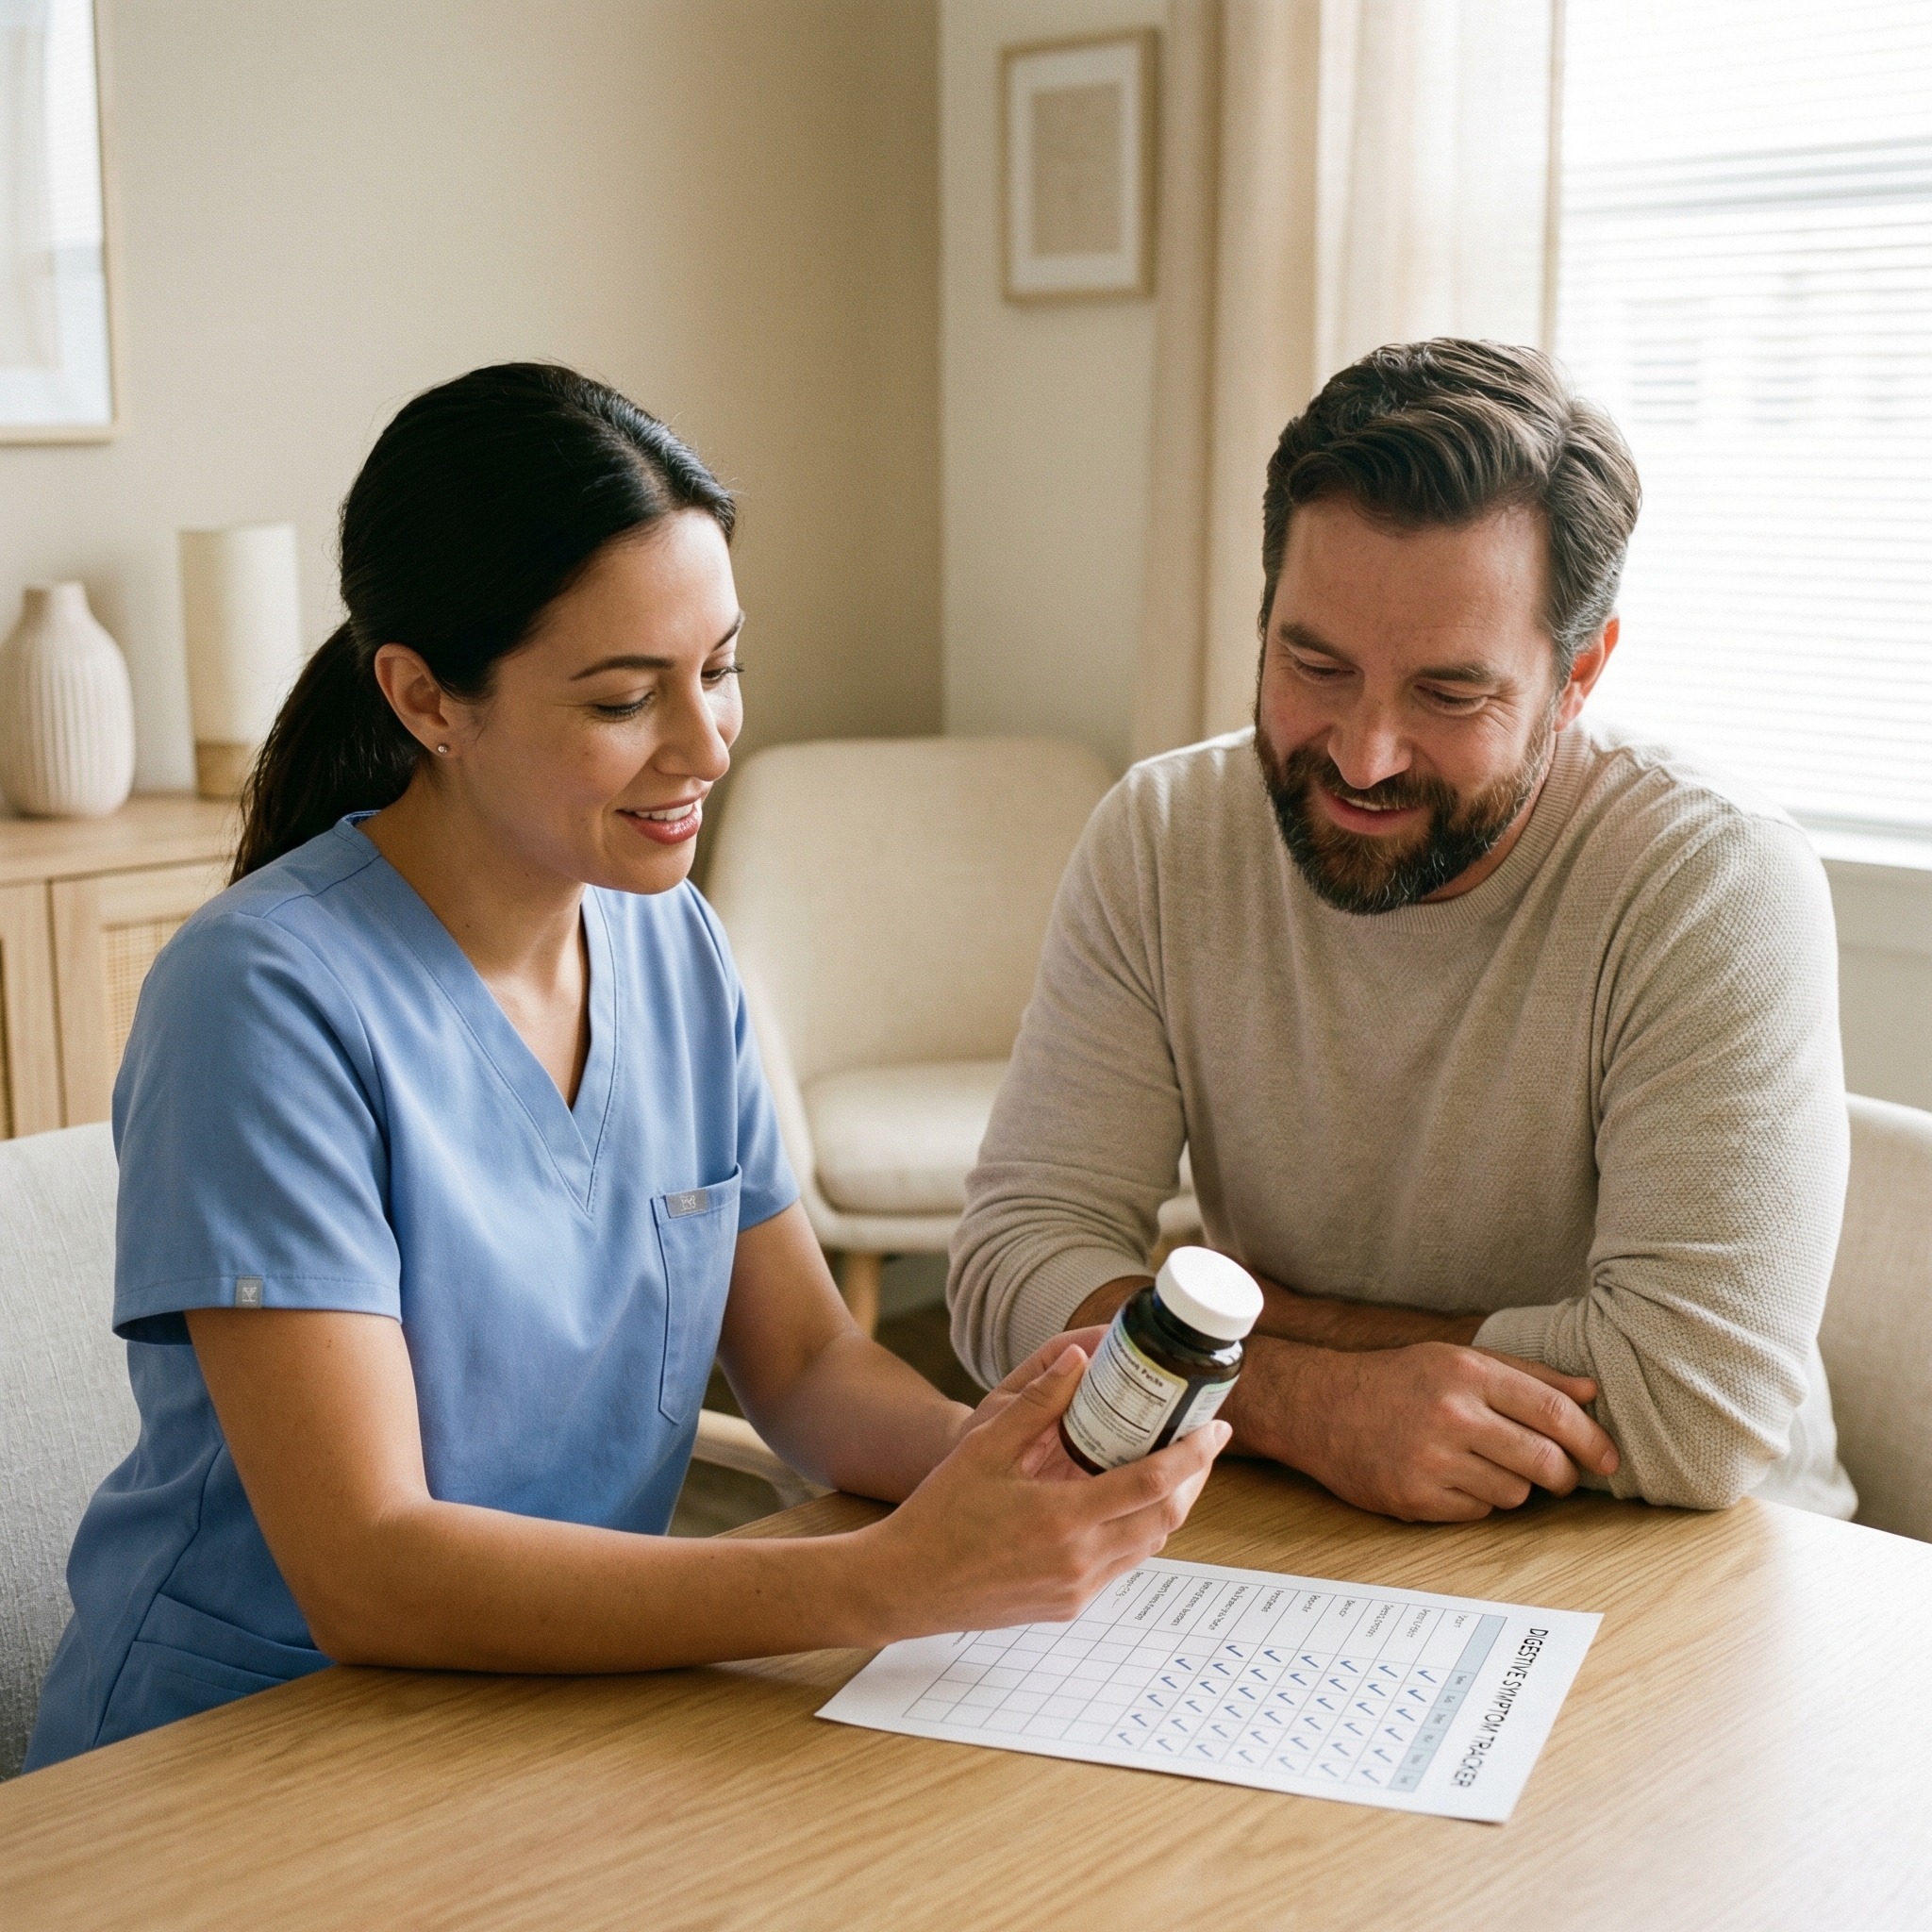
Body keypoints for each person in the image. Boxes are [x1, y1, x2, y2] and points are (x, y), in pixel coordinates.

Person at [25, 364, 1225, 1772]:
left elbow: (807, 1362)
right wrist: (886, 1579)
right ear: (424, 699)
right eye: (621, 700)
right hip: (252, 1752)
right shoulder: (261, 1003)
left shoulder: (668, 946)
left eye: (719, 667)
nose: (708, 741)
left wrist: (1000, 1463)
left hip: (558, 1711)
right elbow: (369, 1567)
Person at [951, 339, 1857, 1526]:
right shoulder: (1165, 834)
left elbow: (1694, 1408)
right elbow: (1007, 1265)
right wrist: (1316, 1403)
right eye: (1311, 663)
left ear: (1578, 673)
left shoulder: (1710, 881)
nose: (1361, 755)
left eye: (1447, 694)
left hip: (1692, 1552)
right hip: (1309, 1507)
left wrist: (1242, 1330)